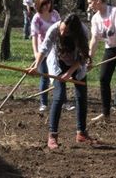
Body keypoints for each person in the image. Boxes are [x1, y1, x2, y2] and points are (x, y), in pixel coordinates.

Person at [28, 13, 96, 150]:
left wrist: (70, 73)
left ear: (73, 31)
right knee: (59, 96)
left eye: (66, 31)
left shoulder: (82, 32)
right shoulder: (54, 29)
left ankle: (81, 133)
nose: (62, 32)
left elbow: (83, 56)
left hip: (76, 63)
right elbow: (45, 48)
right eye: (62, 29)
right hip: (58, 63)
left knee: (81, 96)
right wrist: (35, 66)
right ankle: (52, 136)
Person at [31, 0, 74, 112]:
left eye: (48, 3)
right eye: (43, 4)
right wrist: (36, 53)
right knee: (45, 76)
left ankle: (63, 101)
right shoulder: (37, 18)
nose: (46, 6)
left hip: (55, 50)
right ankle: (43, 103)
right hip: (43, 50)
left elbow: (61, 29)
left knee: (59, 74)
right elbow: (34, 37)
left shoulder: (55, 14)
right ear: (39, 4)